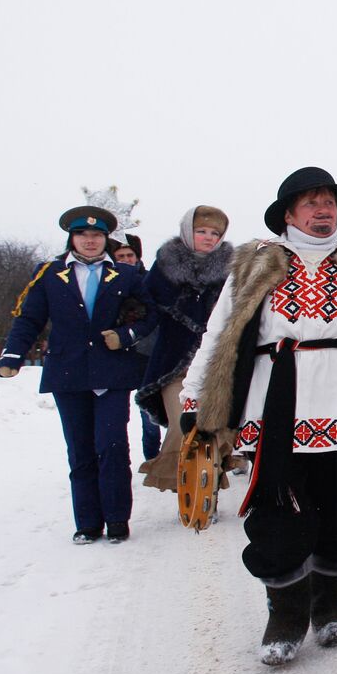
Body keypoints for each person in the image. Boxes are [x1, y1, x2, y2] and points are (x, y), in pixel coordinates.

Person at [179, 168, 337, 666]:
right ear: (288, 214)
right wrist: (194, 396)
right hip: (274, 402)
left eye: (329, 202)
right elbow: (219, 331)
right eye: (311, 203)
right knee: (278, 514)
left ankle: (332, 604)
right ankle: (285, 614)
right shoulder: (255, 262)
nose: (322, 210)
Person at [0, 206, 156, 544]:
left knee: (112, 445)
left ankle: (117, 519)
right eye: (83, 234)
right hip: (68, 373)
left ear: (106, 239)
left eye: (97, 235)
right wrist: (12, 355)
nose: (90, 240)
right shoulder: (49, 274)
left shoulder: (125, 275)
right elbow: (30, 319)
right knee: (80, 450)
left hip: (111, 374)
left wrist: (126, 336)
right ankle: (87, 523)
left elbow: (151, 316)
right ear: (72, 238)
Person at [134, 206, 233, 494]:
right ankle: (186, 488)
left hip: (215, 364)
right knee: (183, 426)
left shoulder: (231, 270)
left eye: (215, 233)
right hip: (174, 362)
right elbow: (143, 310)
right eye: (201, 231)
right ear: (188, 232)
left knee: (215, 428)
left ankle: (208, 491)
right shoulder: (164, 267)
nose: (209, 237)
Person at [110, 233, 162, 464]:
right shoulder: (106, 280)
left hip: (146, 352)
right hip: (115, 353)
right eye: (120, 256)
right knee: (116, 413)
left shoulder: (150, 280)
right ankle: (116, 456)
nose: (125, 260)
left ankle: (152, 457)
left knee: (148, 411)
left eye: (129, 255)